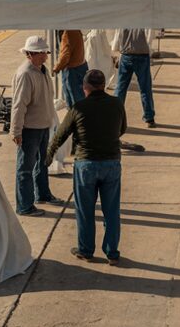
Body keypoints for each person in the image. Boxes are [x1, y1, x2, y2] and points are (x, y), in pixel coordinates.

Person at [46, 69, 127, 264]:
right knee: (111, 210)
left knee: (85, 210)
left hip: (86, 166)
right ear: (103, 85)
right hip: (111, 164)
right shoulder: (116, 103)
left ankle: (85, 249)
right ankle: (112, 252)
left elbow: (61, 134)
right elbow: (122, 129)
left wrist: (49, 155)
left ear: (85, 88)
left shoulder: (78, 108)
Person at [12, 35, 62, 216]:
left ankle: (43, 194)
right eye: (42, 53)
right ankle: (24, 205)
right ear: (30, 54)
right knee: (25, 167)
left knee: (42, 162)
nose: (46, 56)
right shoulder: (25, 74)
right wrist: (16, 130)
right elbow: (19, 105)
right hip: (30, 128)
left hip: (43, 125)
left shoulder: (42, 70)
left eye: (45, 53)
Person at [113, 28, 156, 128]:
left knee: (120, 88)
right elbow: (149, 37)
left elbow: (118, 36)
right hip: (142, 55)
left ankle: (115, 117)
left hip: (126, 54)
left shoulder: (125, 18)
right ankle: (149, 118)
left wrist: (117, 52)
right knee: (145, 88)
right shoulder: (145, 20)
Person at [52, 29, 88, 108]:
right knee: (79, 98)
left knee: (74, 102)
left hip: (73, 70)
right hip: (79, 66)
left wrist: (56, 68)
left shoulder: (68, 32)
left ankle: (77, 118)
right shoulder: (75, 30)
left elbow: (65, 56)